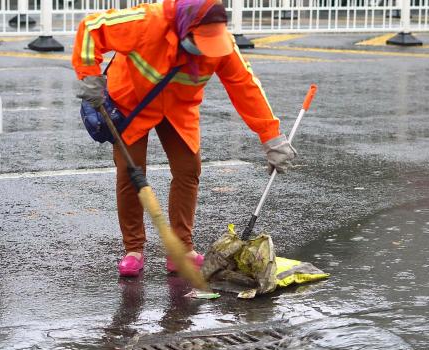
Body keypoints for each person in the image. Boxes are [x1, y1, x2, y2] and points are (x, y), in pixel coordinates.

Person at [72, 0, 296, 277]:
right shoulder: (147, 21)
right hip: (132, 103)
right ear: (183, 28)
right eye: (199, 41)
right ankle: (133, 249)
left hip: (179, 109)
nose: (204, 49)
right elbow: (91, 27)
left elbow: (244, 85)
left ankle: (181, 250)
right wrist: (89, 76)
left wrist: (271, 137)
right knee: (131, 173)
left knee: (188, 170)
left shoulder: (222, 44)